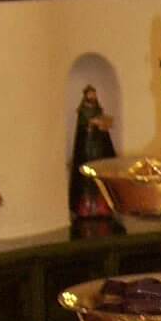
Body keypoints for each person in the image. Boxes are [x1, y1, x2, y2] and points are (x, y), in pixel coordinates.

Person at [70, 84, 118, 232]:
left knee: (99, 180)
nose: (93, 96)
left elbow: (104, 128)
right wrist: (94, 123)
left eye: (94, 94)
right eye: (91, 94)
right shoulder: (83, 111)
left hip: (99, 150)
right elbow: (85, 126)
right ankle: (86, 208)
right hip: (87, 151)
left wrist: (103, 125)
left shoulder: (99, 110)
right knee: (87, 182)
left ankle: (102, 208)